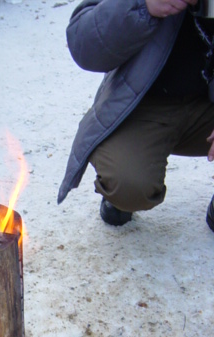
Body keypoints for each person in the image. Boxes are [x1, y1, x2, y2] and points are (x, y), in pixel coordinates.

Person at [58, 0, 214, 230]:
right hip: (146, 101)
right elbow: (83, 44)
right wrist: (142, 6)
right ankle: (119, 192)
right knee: (127, 183)